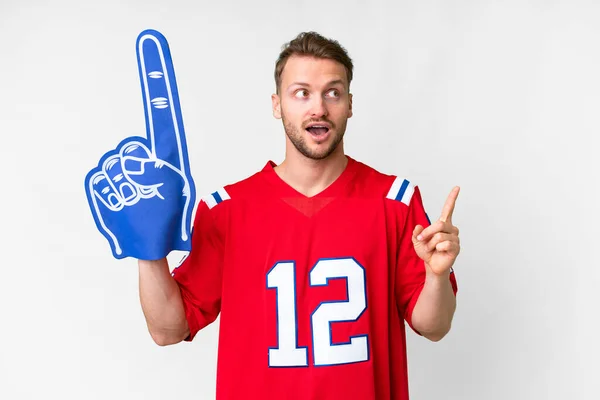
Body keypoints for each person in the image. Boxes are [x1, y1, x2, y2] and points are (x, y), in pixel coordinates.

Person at [138, 31, 460, 400]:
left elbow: (434, 327)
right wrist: (147, 247)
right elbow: (167, 330)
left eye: (333, 93)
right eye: (301, 92)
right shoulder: (225, 210)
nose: (318, 108)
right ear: (277, 104)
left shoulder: (394, 201)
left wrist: (437, 276)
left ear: (350, 104)